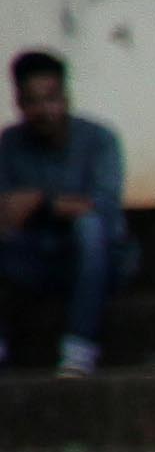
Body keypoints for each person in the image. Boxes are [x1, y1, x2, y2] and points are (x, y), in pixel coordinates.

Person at [0, 51, 123, 372]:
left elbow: (102, 207)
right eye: (32, 101)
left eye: (51, 99)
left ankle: (79, 352)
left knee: (89, 227)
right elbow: (6, 210)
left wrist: (41, 202)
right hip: (36, 258)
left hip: (96, 261)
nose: (43, 110)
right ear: (20, 104)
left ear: (66, 98)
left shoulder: (100, 139)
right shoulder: (10, 144)